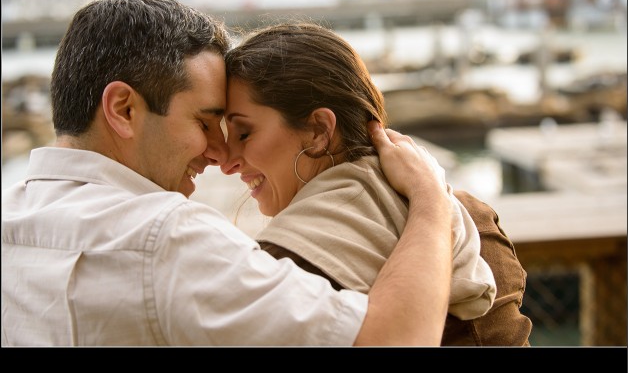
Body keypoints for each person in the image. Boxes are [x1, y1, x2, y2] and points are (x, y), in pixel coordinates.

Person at [1, 0, 454, 346]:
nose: (218, 155)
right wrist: (431, 200)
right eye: (204, 122)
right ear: (123, 109)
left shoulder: (6, 221)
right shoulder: (166, 240)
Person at [221, 22, 532, 346]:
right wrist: (428, 194)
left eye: (244, 134)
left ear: (318, 130)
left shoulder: (284, 266)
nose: (227, 163)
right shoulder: (471, 216)